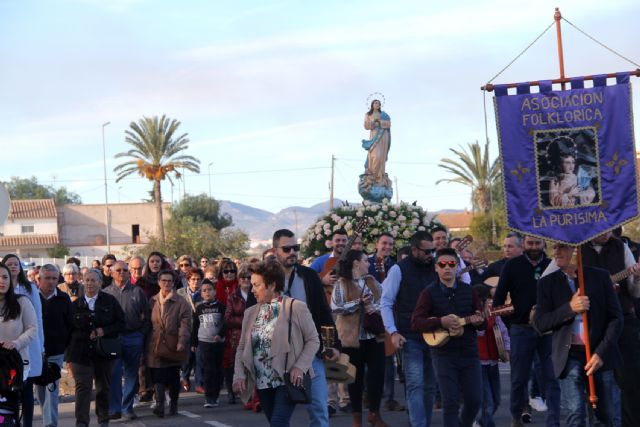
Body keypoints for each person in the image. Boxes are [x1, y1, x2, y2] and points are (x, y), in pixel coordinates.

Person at [533, 243, 623, 427]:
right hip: (569, 356)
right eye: (554, 247)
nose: (556, 252)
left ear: (576, 250)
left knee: (606, 416)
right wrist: (570, 309)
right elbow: (540, 324)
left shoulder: (600, 277)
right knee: (575, 414)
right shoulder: (546, 283)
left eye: (562, 247)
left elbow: (616, 318)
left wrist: (601, 353)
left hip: (599, 355)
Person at [232, 260, 320, 426]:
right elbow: (242, 347)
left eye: (257, 285)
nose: (252, 290)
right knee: (277, 422)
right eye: (252, 285)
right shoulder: (251, 312)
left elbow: (313, 340)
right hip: (262, 382)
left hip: (286, 379)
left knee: (278, 422)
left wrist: (300, 366)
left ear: (272, 285)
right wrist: (239, 374)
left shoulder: (295, 307)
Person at [273, 228, 342, 427]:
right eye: (287, 249)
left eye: (296, 248)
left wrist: (334, 344)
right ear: (275, 250)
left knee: (319, 409)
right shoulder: (265, 278)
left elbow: (323, 313)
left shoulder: (310, 276)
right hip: (277, 355)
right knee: (279, 415)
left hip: (310, 352)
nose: (292, 252)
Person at [412, 248, 485, 427]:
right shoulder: (428, 293)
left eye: (451, 264)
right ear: (436, 268)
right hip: (443, 354)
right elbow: (416, 322)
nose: (447, 268)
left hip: (469, 352)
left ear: (456, 266)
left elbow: (481, 322)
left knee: (475, 400)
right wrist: (440, 321)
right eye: (442, 264)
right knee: (450, 401)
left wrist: (478, 322)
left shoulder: (470, 291)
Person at [493, 235, 560, 427]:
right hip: (521, 330)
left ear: (544, 244)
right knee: (518, 379)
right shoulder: (512, 266)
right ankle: (516, 417)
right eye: (530, 243)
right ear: (523, 244)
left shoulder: (552, 265)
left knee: (551, 378)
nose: (533, 247)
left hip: (548, 331)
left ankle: (553, 422)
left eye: (537, 243)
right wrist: (512, 322)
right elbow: (498, 301)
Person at [579, 231, 640, 427]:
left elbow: (635, 292)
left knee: (630, 380)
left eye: (610, 228)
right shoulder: (576, 248)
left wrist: (637, 278)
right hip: (591, 325)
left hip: (623, 320)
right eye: (601, 229)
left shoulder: (621, 248)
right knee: (594, 383)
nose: (607, 233)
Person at [380, 231, 438, 427]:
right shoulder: (398, 270)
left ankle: (424, 423)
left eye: (433, 250)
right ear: (414, 250)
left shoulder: (437, 267)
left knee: (430, 386)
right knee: (415, 384)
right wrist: (393, 332)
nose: (431, 254)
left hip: (436, 334)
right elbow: (386, 302)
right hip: (410, 335)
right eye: (427, 251)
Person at [332, 250, 387, 427]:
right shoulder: (341, 283)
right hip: (351, 339)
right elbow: (336, 307)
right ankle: (357, 417)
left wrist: (374, 307)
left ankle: (374, 413)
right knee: (355, 378)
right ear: (356, 263)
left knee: (378, 376)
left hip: (374, 336)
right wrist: (358, 303)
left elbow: (386, 301)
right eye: (365, 261)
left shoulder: (371, 280)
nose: (368, 264)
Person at [66, 268, 125, 427]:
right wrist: (68, 358)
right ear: (82, 282)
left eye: (94, 280)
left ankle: (103, 420)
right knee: (83, 389)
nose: (90, 283)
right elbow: (68, 331)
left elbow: (121, 323)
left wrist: (103, 331)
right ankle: (82, 423)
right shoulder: (75, 304)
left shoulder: (110, 301)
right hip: (80, 354)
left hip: (104, 353)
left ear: (100, 283)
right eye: (87, 280)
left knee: (103, 389)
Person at [103, 261, 150, 421]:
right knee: (114, 374)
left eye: (125, 270)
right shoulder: (105, 293)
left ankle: (127, 407)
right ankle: (114, 409)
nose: (122, 272)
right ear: (111, 272)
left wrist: (141, 334)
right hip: (113, 339)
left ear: (129, 272)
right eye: (118, 270)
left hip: (133, 337)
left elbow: (147, 315)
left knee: (131, 374)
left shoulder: (138, 292)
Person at [2, 254, 44, 427]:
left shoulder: (26, 295)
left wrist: (40, 346)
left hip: (21, 355)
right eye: (8, 264)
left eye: (15, 264)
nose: (12, 267)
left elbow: (35, 324)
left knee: (22, 394)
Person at [147, 269, 191, 418]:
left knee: (172, 377)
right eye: (163, 280)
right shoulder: (152, 301)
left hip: (173, 343)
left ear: (174, 283)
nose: (166, 283)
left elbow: (185, 324)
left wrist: (181, 341)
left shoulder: (181, 302)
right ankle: (160, 404)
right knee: (157, 375)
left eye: (170, 281)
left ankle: (173, 404)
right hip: (155, 344)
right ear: (159, 282)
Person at [37, 264, 73, 427]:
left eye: (54, 278)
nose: (51, 282)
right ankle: (47, 420)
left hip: (56, 352)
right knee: (40, 390)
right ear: (40, 279)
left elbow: (70, 325)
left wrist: (67, 349)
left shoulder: (63, 298)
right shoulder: (32, 298)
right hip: (36, 352)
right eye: (47, 278)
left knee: (52, 389)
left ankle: (50, 424)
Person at [473, 284, 510, 427]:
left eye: (490, 298)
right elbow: (479, 333)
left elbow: (504, 332)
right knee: (487, 403)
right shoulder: (473, 316)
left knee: (496, 401)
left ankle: (480, 423)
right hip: (479, 364)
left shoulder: (494, 315)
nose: (490, 301)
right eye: (487, 298)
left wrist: (506, 349)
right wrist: (480, 320)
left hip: (493, 363)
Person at [225, 263, 259, 411]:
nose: (246, 280)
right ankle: (246, 397)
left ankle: (256, 398)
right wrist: (246, 320)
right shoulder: (233, 297)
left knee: (256, 366)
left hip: (256, 334)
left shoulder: (257, 293)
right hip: (238, 336)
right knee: (244, 367)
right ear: (238, 280)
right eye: (243, 277)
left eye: (248, 277)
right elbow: (227, 318)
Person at [192, 279, 226, 408]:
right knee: (208, 370)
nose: (207, 292)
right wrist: (193, 343)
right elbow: (195, 326)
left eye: (210, 290)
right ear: (201, 293)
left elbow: (226, 323)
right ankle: (209, 397)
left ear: (215, 292)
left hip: (218, 343)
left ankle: (216, 396)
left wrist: (220, 335)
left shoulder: (221, 307)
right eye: (204, 290)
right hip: (204, 342)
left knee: (217, 370)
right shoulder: (199, 308)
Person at [177, 267, 204, 393]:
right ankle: (185, 377)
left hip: (200, 331)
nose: (196, 282)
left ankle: (199, 383)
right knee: (187, 359)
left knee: (199, 358)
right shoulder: (180, 293)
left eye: (198, 279)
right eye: (193, 279)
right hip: (185, 330)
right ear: (188, 280)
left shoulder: (205, 292)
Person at [547, 138, 596, 207]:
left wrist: (578, 195)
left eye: (573, 163)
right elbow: (553, 201)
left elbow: (590, 192)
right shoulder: (555, 180)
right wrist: (569, 194)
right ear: (560, 164)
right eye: (567, 163)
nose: (571, 166)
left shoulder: (579, 176)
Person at [216, 258, 239, 403]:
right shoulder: (218, 286)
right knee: (227, 361)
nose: (229, 274)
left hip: (238, 327)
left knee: (239, 359)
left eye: (232, 271)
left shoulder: (240, 285)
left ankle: (241, 389)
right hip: (223, 327)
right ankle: (230, 390)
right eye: (226, 271)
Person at [310, 228, 349, 302]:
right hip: (328, 302)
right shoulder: (320, 261)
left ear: (348, 242)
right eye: (337, 240)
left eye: (344, 241)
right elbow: (307, 278)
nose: (341, 243)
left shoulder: (353, 260)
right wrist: (322, 280)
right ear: (331, 243)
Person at [361, 99, 391, 189]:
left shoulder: (383, 115)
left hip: (383, 137)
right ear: (372, 104)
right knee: (376, 156)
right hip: (374, 137)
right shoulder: (368, 114)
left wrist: (380, 122)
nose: (377, 104)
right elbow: (366, 125)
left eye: (378, 103)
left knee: (381, 157)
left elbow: (389, 124)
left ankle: (380, 178)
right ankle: (372, 177)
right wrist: (374, 122)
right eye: (375, 103)